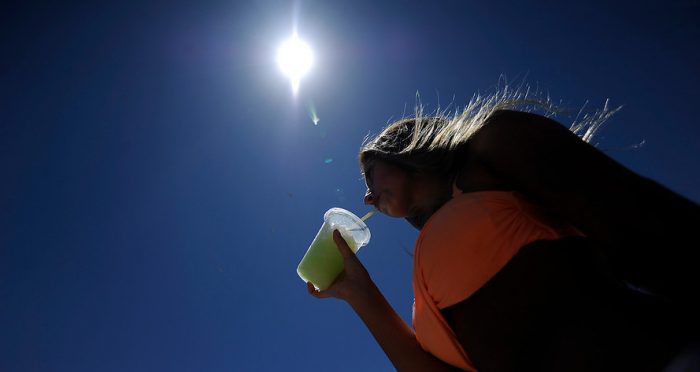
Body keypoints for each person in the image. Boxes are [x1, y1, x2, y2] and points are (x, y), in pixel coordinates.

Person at [305, 90, 700, 372]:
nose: (368, 197)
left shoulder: (490, 150)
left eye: (372, 176)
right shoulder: (426, 269)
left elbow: (642, 220)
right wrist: (358, 293)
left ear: (403, 149)